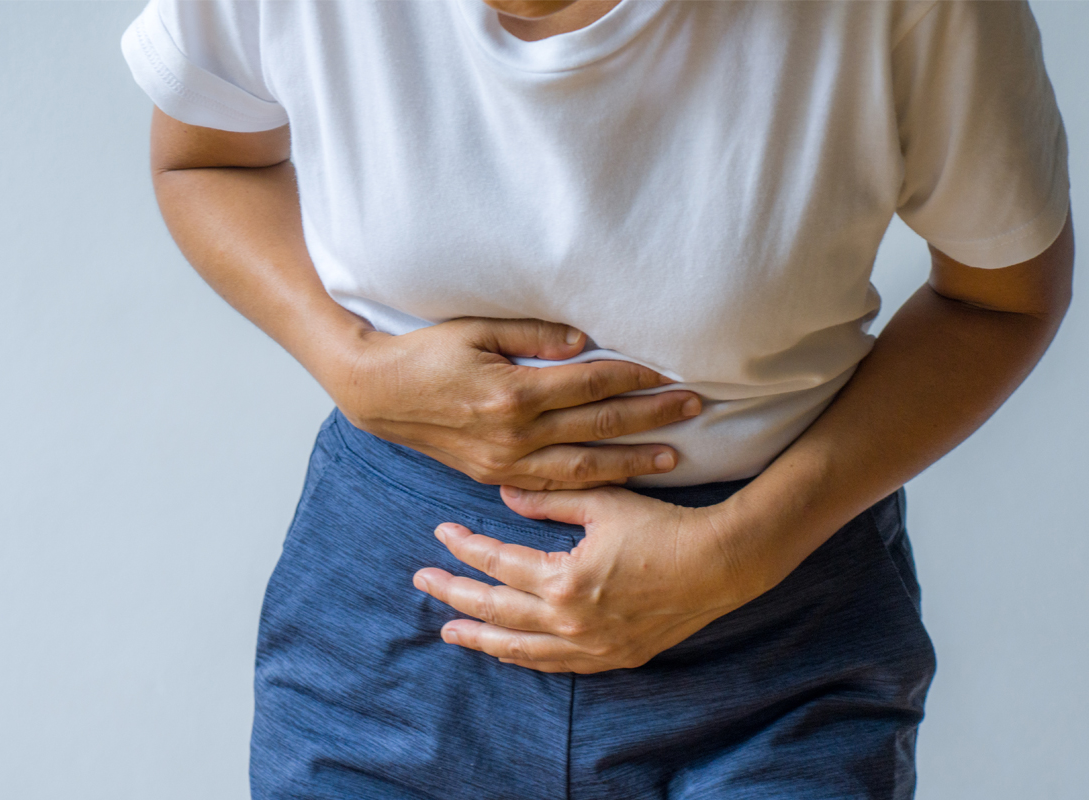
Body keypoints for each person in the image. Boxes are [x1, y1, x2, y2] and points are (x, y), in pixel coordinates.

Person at [122, 1, 1073, 797]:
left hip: (774, 647)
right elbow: (208, 157)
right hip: (391, 624)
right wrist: (351, 364)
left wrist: (738, 551)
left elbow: (997, 298)